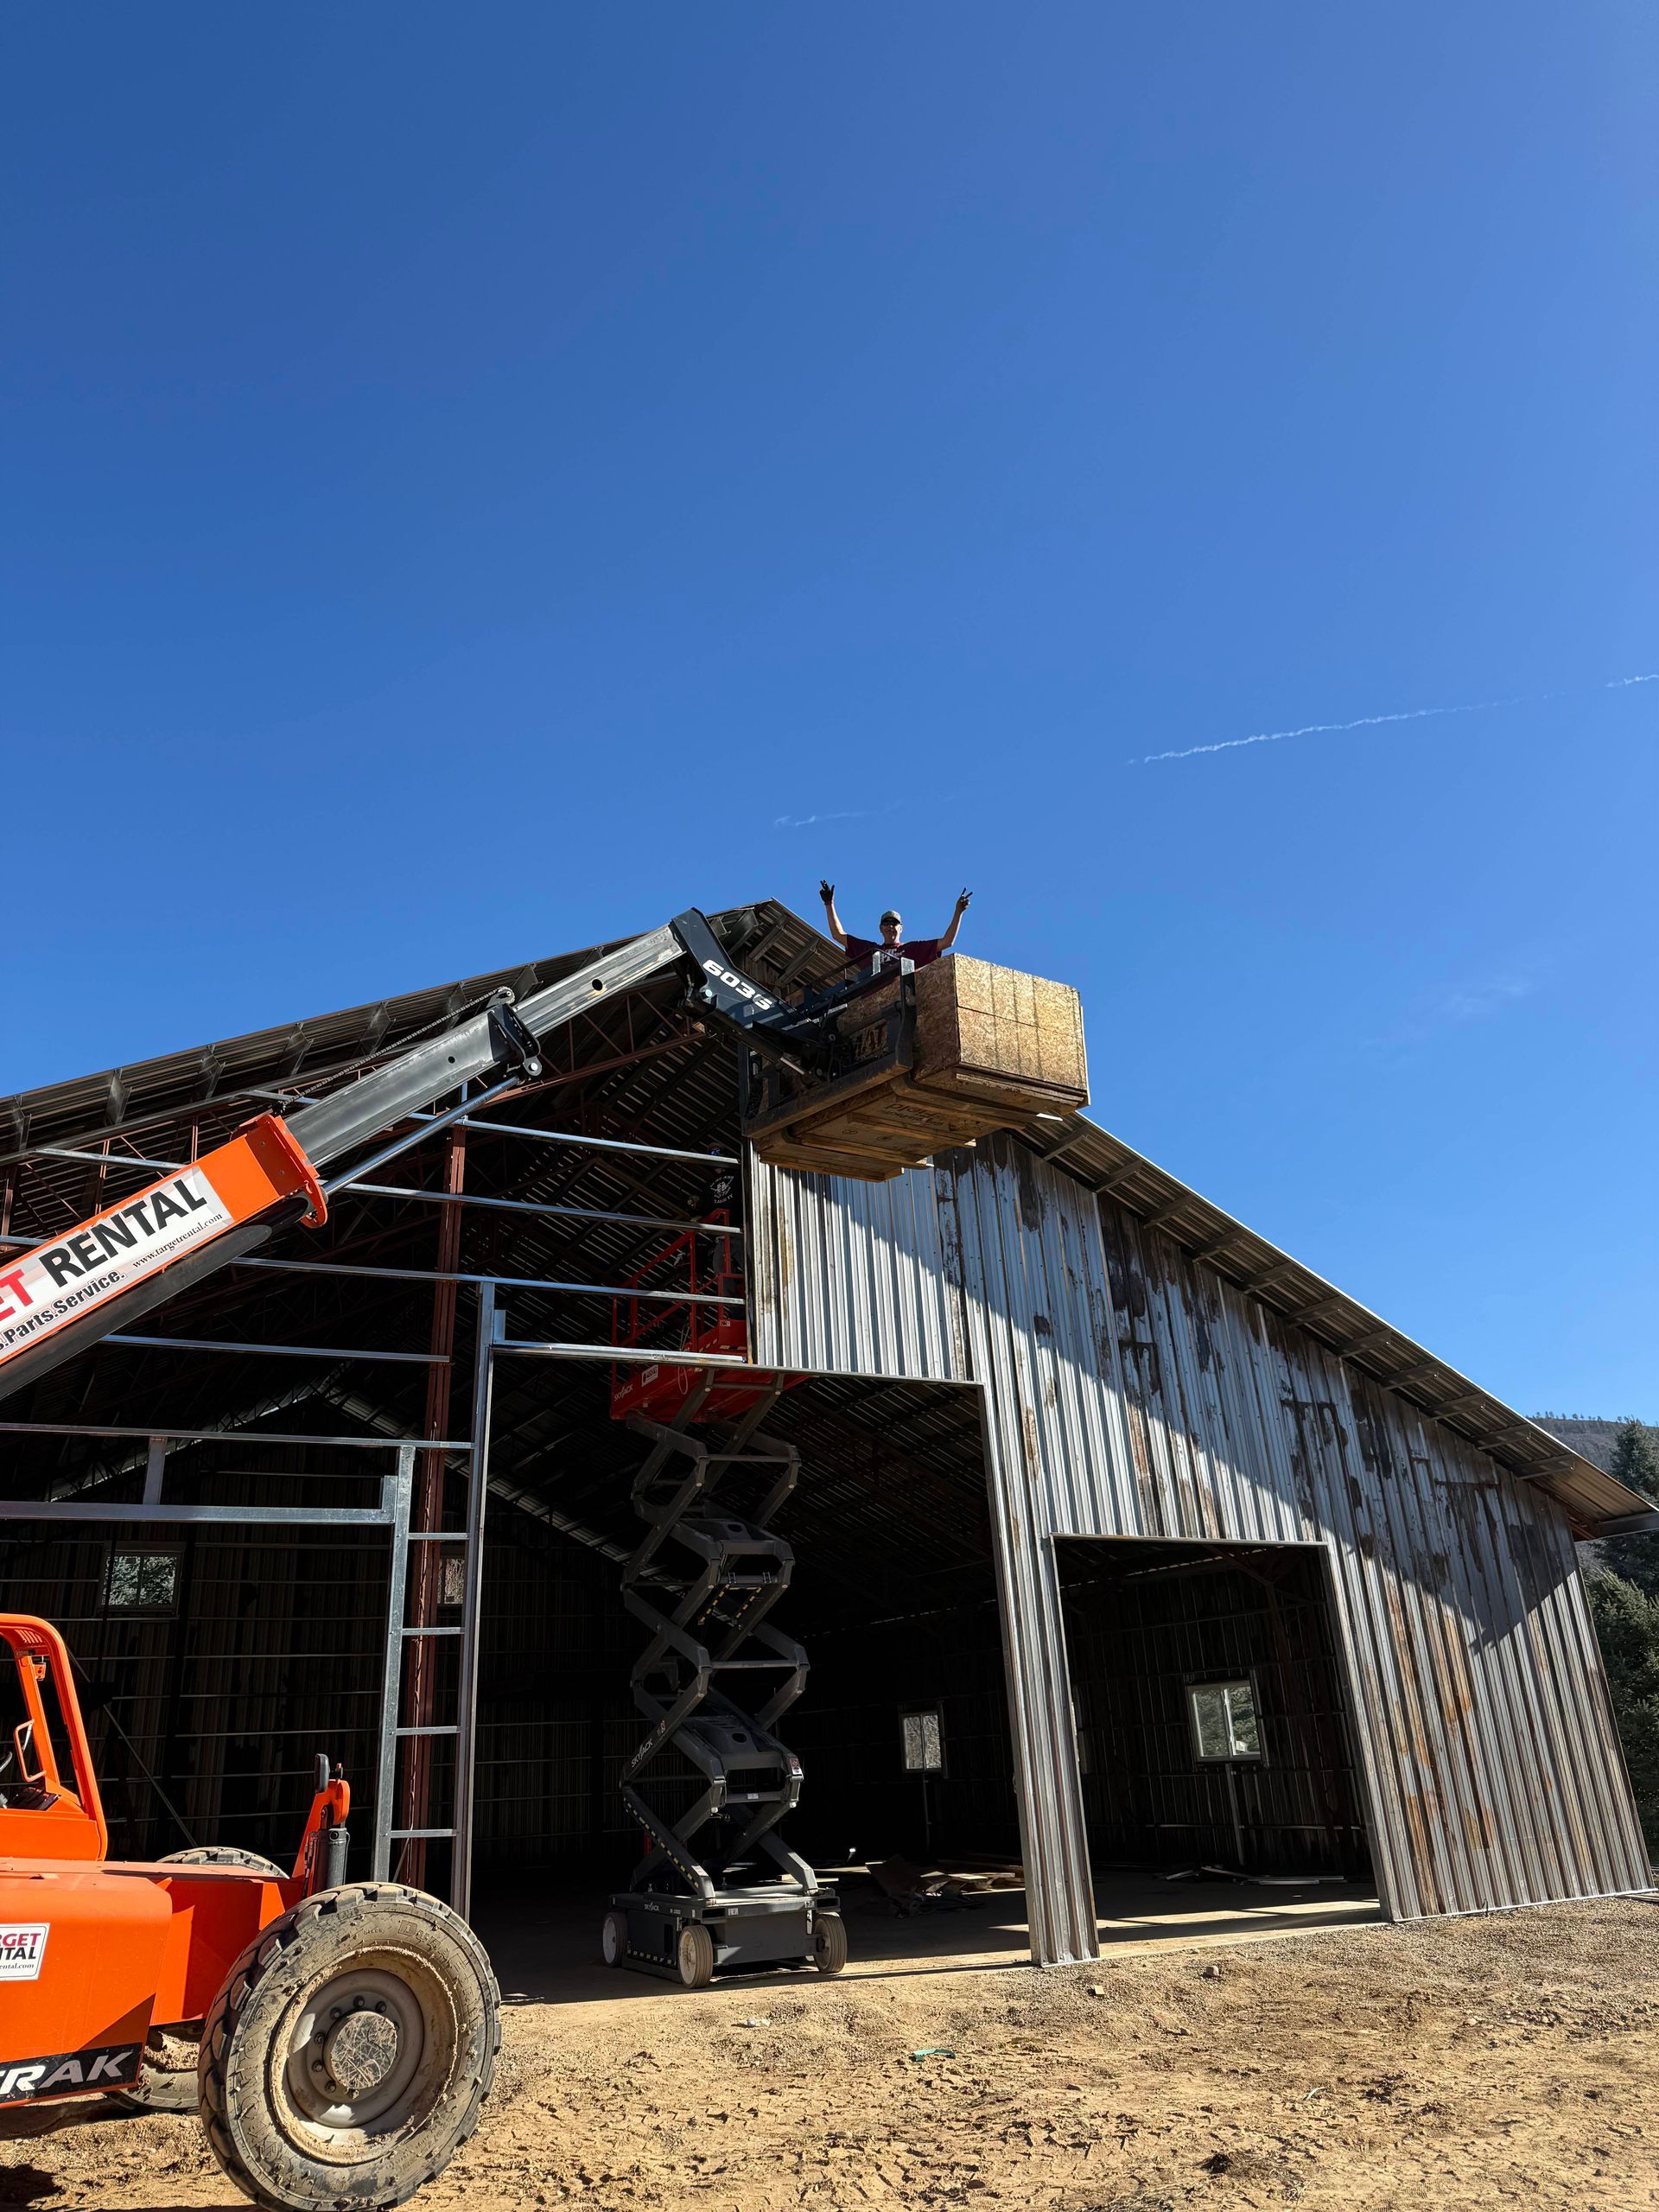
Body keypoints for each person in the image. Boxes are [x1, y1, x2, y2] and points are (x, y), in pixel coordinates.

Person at [818, 883, 972, 974]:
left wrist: (958, 911)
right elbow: (838, 935)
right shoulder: (869, 950)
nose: (890, 926)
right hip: (872, 1007)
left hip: (900, 1006)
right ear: (880, 929)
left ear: (901, 929)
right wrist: (829, 904)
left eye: (894, 923)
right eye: (886, 923)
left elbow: (946, 942)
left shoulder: (912, 949)